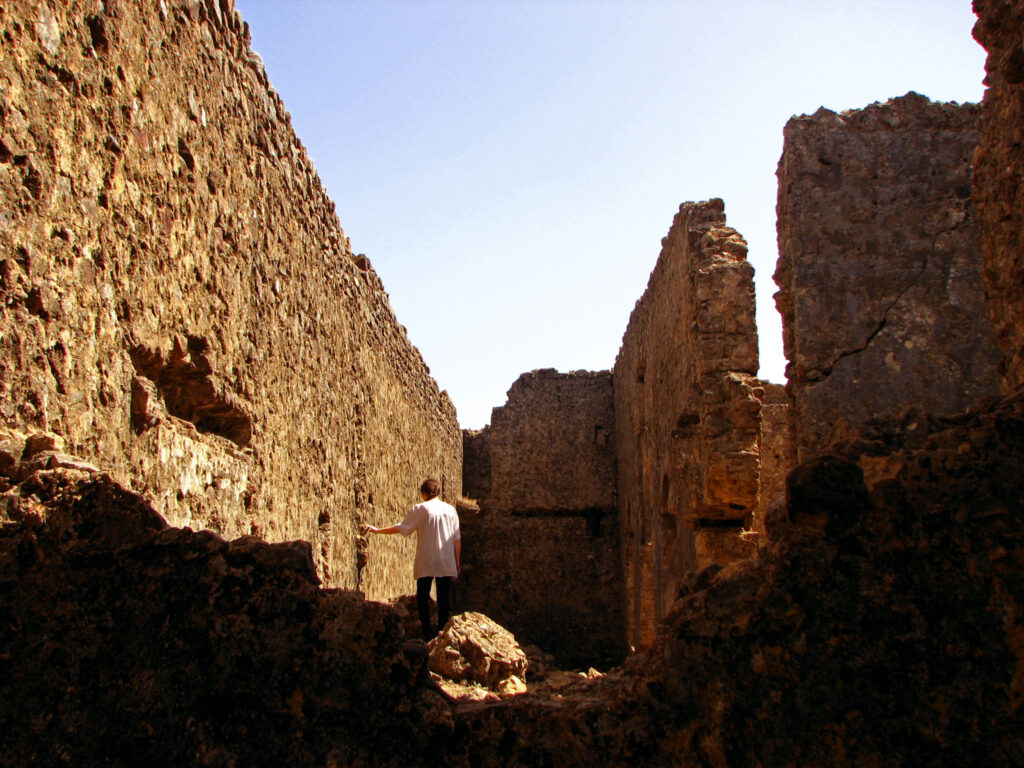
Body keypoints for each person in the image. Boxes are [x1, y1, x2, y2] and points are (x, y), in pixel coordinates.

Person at [365, 478, 461, 640]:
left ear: (424, 493)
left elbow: (401, 528)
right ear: (438, 492)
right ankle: (442, 633)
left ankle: (426, 631)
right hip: (446, 560)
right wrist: (457, 561)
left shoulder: (420, 508)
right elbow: (457, 539)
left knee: (422, 596)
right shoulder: (450, 510)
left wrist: (377, 531)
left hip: (426, 559)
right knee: (443, 598)